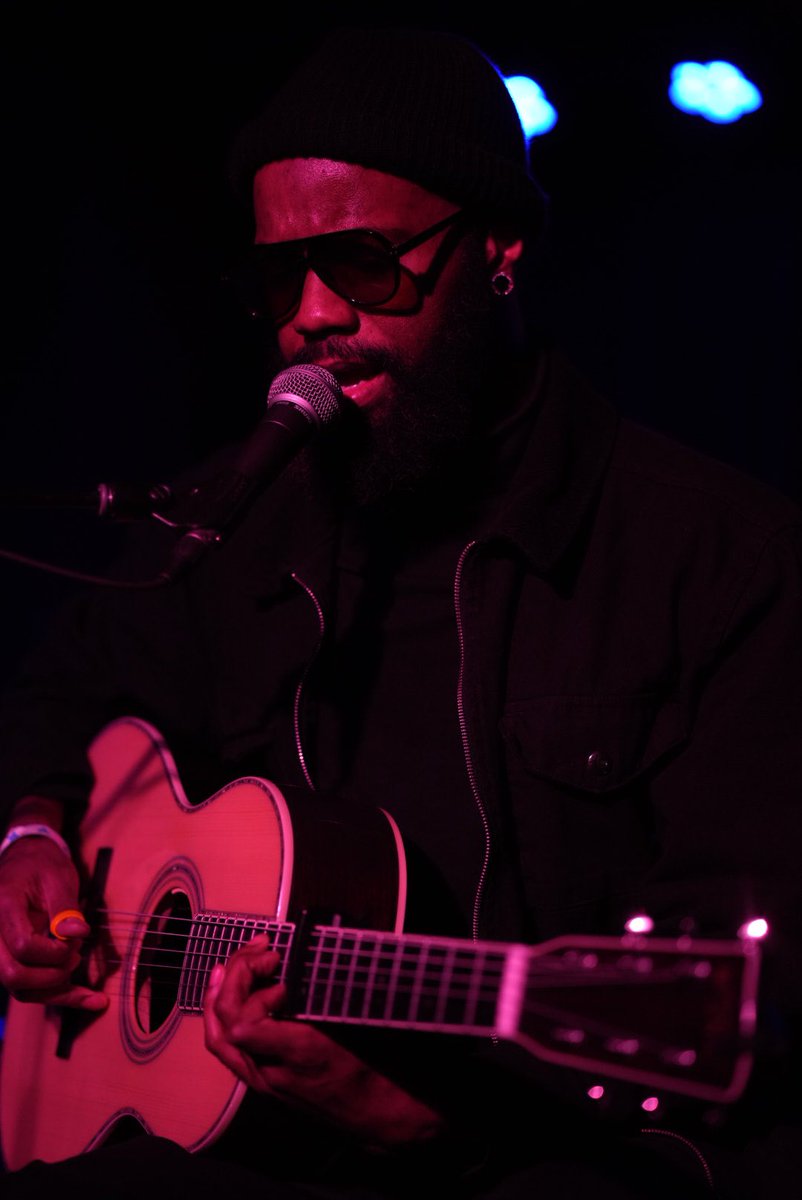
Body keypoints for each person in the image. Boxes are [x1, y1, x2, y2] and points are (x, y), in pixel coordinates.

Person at [0, 24, 800, 1200]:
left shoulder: (719, 556)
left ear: (500, 249)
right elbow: (59, 693)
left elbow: (743, 990)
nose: (312, 316)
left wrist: (441, 1125)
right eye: (281, 278)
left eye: (364, 263)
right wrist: (28, 835)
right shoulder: (237, 527)